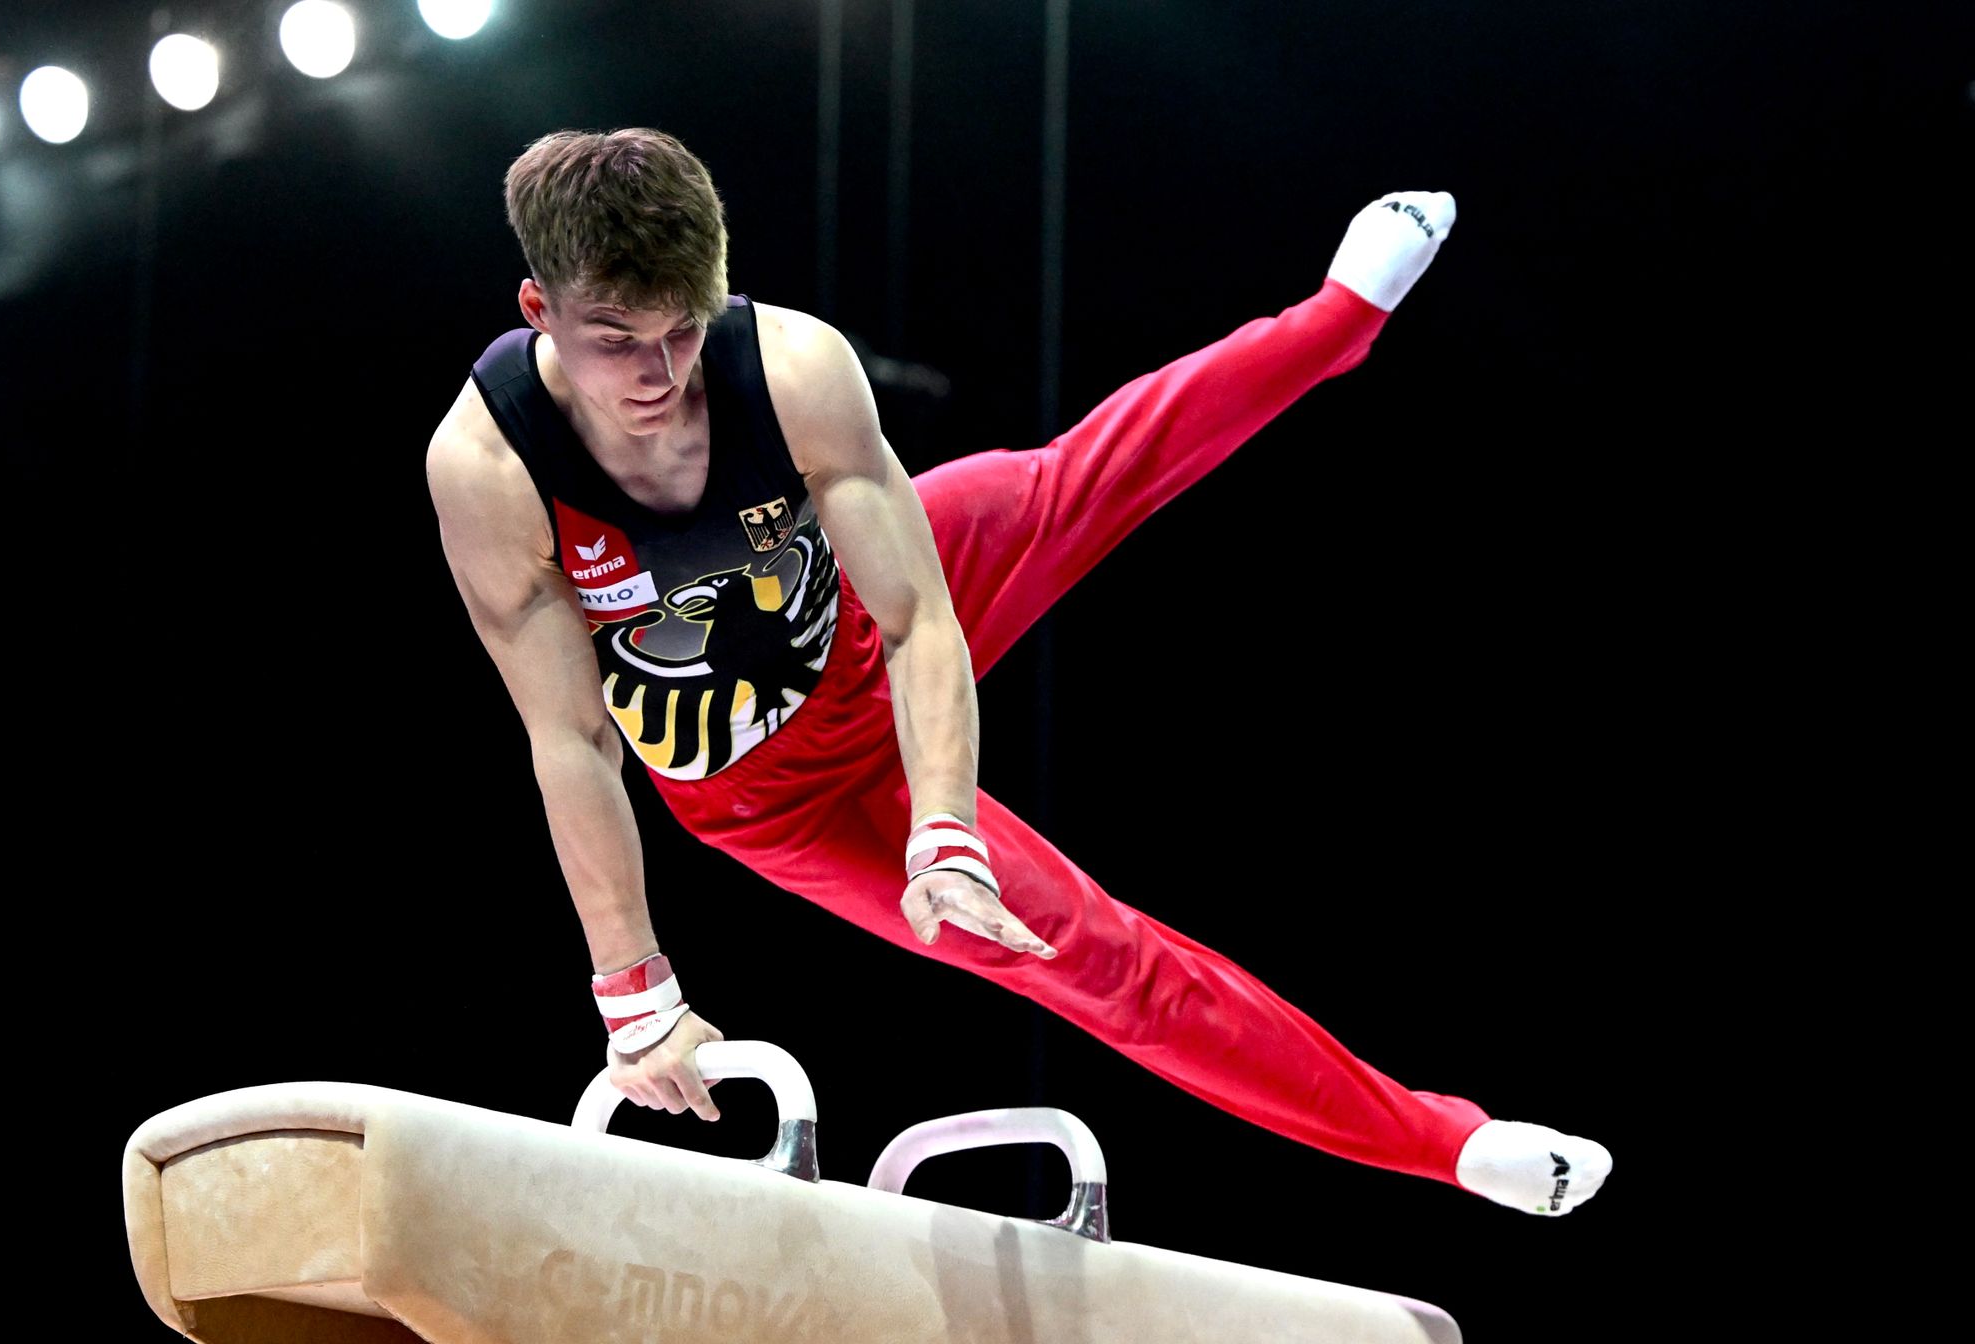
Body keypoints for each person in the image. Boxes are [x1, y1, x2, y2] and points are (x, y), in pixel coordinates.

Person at [425, 127, 1611, 1217]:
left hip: (859, 630)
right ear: (539, 307)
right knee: (1092, 959)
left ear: (721, 291)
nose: (657, 371)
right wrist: (633, 992)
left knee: (1082, 471)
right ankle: (1442, 1144)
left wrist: (946, 830)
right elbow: (571, 743)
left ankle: (1335, 317)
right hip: (785, 797)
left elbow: (915, 624)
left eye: (684, 329)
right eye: (614, 341)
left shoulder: (787, 367)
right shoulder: (488, 467)